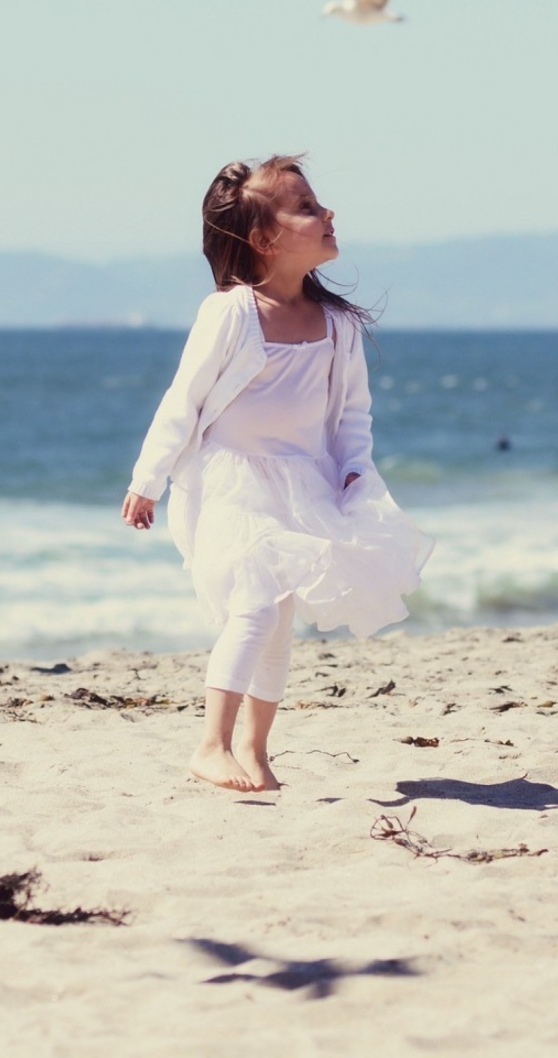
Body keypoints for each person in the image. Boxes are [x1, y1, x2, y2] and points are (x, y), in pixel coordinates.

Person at [122, 156, 432, 792]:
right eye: (308, 207)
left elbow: (351, 413)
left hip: (305, 485)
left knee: (281, 622)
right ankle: (210, 744)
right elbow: (183, 399)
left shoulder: (338, 326)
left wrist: (353, 472)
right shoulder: (232, 313)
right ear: (264, 240)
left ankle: (256, 750)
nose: (327, 214)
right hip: (233, 483)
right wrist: (147, 479)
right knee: (256, 604)